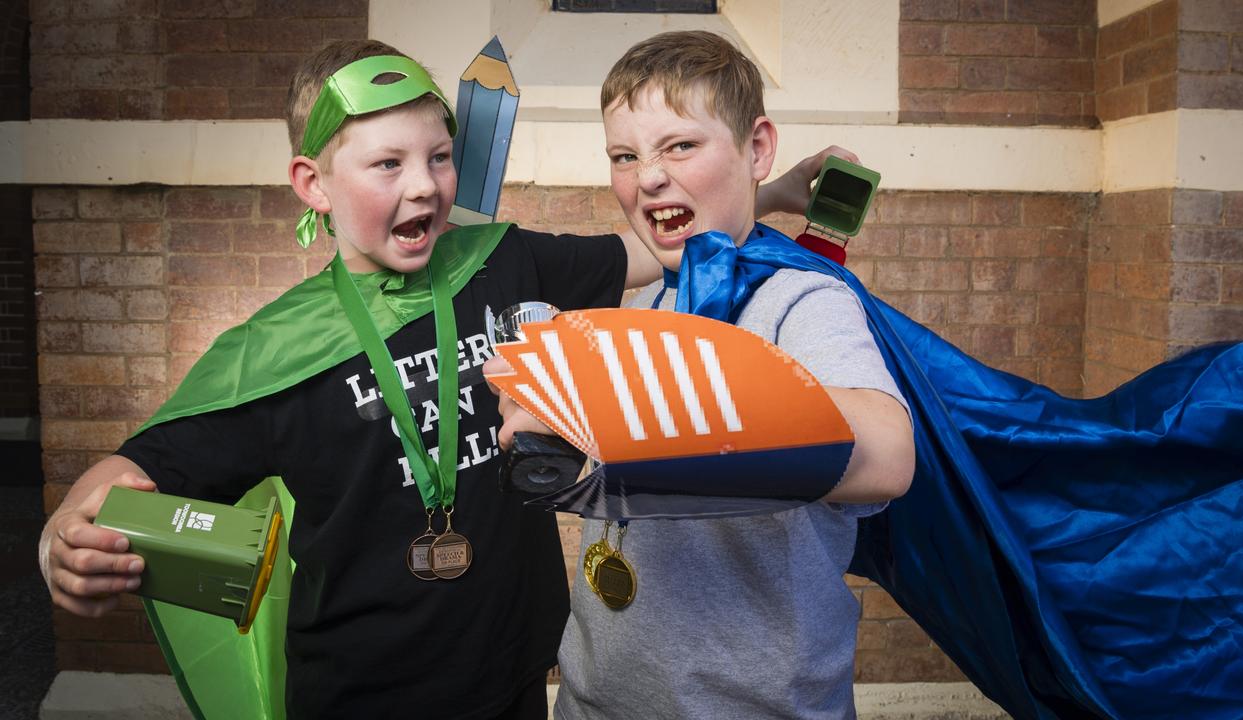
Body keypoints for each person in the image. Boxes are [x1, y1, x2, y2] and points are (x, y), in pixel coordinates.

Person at [37, 38, 841, 720]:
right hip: (361, 692)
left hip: (517, 673)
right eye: (387, 163)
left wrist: (768, 190)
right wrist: (64, 531)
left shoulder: (503, 261)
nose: (423, 185)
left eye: (439, 157)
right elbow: (142, 470)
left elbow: (659, 251)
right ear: (312, 184)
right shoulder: (273, 351)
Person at [489, 31, 916, 719]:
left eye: (679, 146)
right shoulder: (649, 293)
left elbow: (889, 457)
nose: (647, 176)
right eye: (624, 155)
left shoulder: (802, 301)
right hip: (595, 699)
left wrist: (614, 410)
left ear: (756, 146)